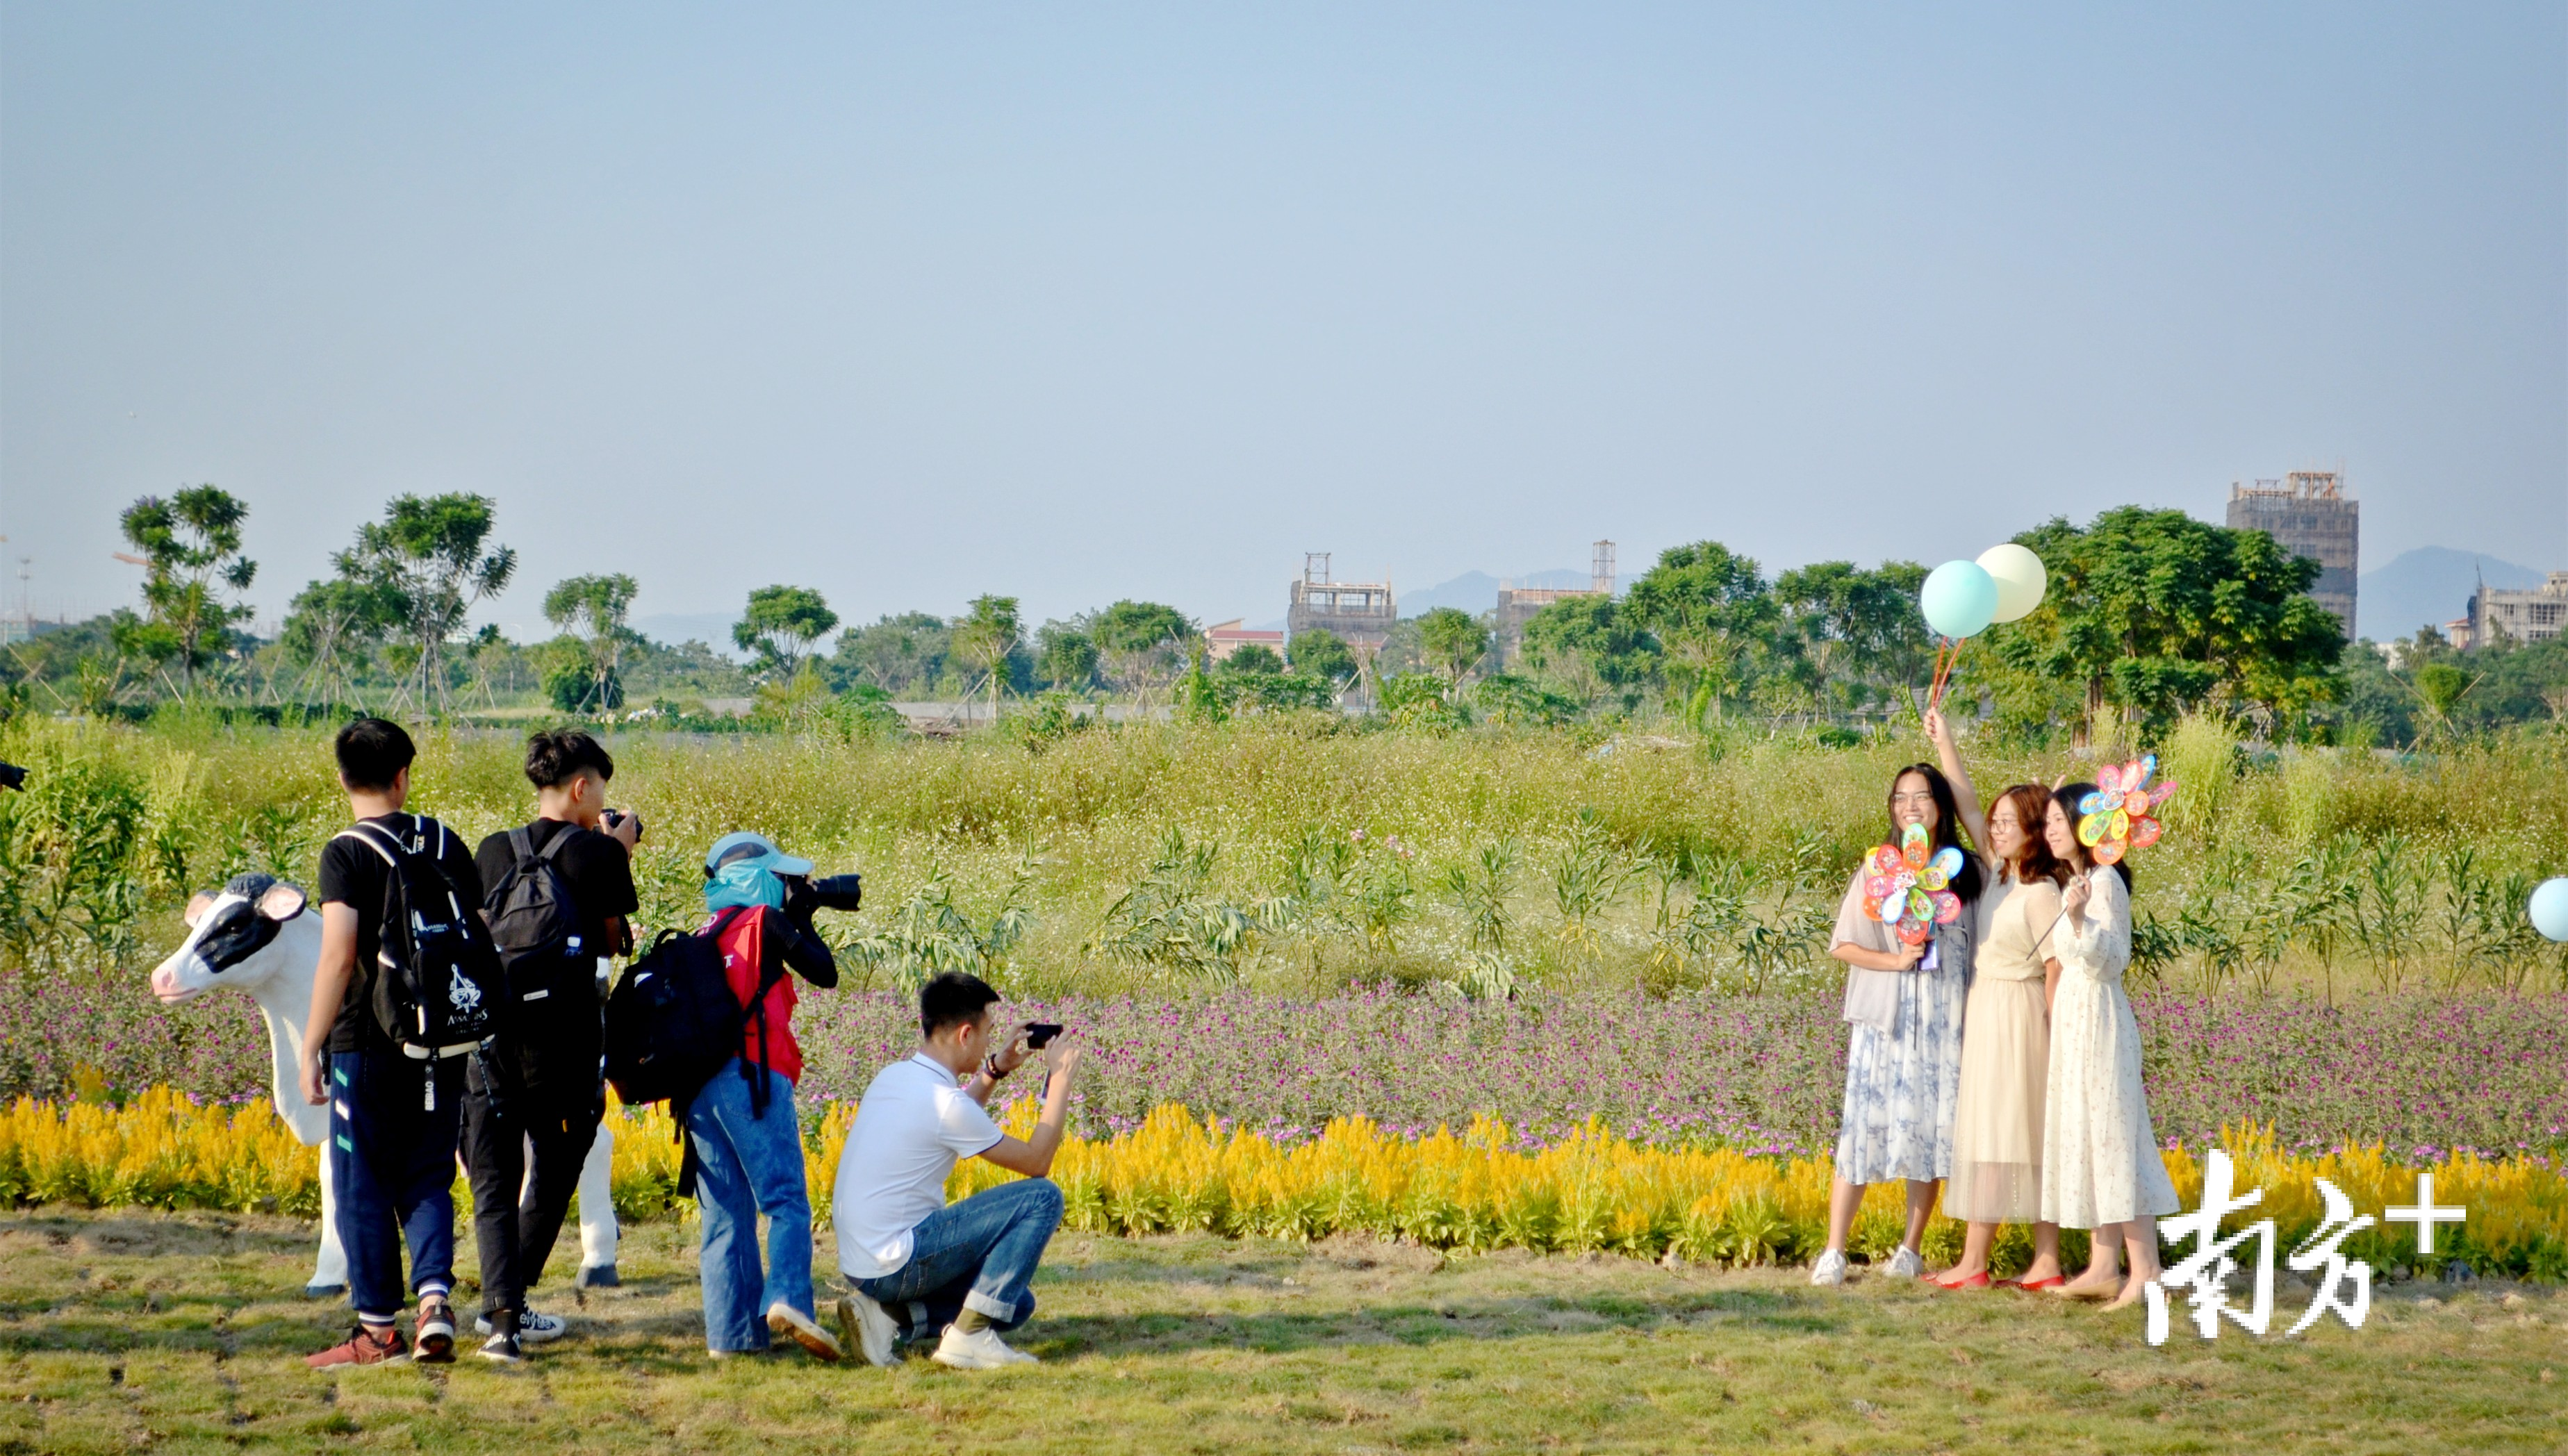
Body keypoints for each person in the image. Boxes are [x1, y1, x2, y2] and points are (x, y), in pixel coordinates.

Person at [297, 718, 480, 1368]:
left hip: (366, 1045)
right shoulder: (445, 841)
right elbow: (476, 938)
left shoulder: (345, 852)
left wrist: (310, 1045)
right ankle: (434, 1300)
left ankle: (378, 1332)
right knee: (429, 1172)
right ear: (404, 776)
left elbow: (338, 956)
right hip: (443, 1042)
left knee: (363, 1184)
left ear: (343, 778)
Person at [462, 729, 641, 1362]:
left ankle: (503, 1319)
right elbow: (615, 938)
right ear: (580, 786)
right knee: (557, 1164)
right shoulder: (598, 855)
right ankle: (505, 1304)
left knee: (493, 1178)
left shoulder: (491, 848)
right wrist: (616, 848)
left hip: (491, 1041)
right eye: (601, 792)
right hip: (561, 1046)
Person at [833, 972, 1082, 1371]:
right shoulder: (947, 1104)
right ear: (965, 1035)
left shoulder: (895, 1076)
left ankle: (886, 1317)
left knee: (1015, 1303)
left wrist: (995, 1070)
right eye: (987, 1033)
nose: (989, 1043)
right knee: (1042, 1197)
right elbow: (1037, 1162)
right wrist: (1061, 1081)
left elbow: (949, 1115)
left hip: (864, 1262)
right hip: (896, 1262)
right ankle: (969, 1339)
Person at [1809, 757, 1982, 1287]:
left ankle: (1911, 1248)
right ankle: (1835, 1250)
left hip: (1944, 1019)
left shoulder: (1967, 871)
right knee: (1862, 1130)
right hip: (1887, 1020)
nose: (1910, 806)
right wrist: (1897, 959)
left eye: (1922, 796)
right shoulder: (1877, 871)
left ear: (1941, 806)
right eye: (1901, 798)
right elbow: (1843, 945)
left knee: (1929, 1132)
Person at [1923, 712, 2068, 1289]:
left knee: (2022, 1135)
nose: (1997, 828)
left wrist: (2057, 1034)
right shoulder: (1998, 874)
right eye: (1998, 821)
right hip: (1987, 1010)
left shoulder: (2040, 890)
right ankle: (1982, 1262)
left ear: (2033, 830)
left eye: (2010, 821)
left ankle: (2032, 1262)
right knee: (1993, 1132)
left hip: (2022, 1017)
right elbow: (1968, 804)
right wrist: (1946, 742)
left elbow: (2057, 969)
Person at [689, 830, 843, 1359]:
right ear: (755, 878)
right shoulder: (765, 922)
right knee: (785, 1201)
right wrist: (802, 916)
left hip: (697, 1088)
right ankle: (790, 1300)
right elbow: (825, 973)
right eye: (777, 876)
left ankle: (730, 1338)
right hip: (753, 1076)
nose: (785, 885)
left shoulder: (703, 930)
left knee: (725, 1213)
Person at [2039, 784, 2178, 1309]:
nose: (2050, 829)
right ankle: (2103, 1265)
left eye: (2058, 819)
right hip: (2077, 1017)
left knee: (2116, 1137)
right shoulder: (2076, 882)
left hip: (2100, 1016)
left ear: (2086, 825)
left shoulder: (2104, 884)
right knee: (2091, 1135)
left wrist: (2077, 918)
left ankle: (2146, 1272)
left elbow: (2113, 959)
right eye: (2048, 821)